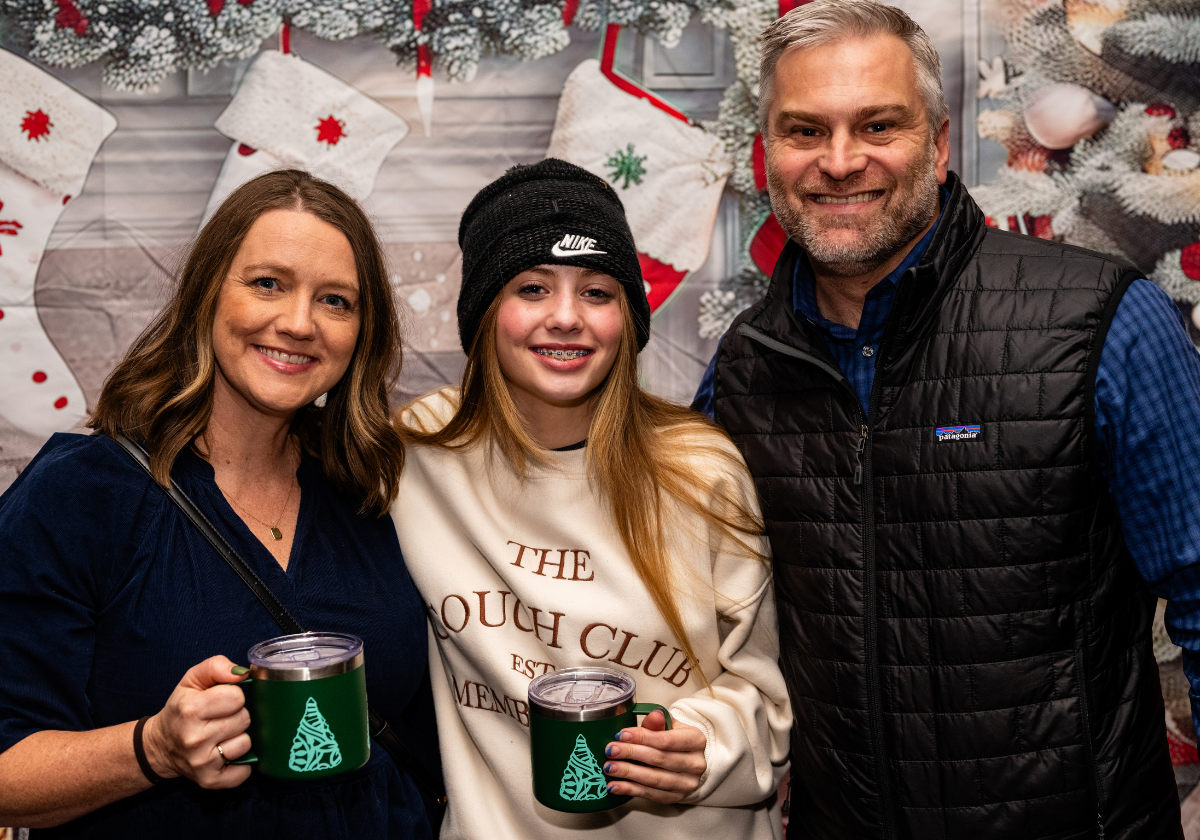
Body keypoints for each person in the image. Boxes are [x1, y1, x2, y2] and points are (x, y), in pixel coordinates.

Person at [693, 0, 1190, 837]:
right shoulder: (745, 367)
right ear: (767, 150)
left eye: (878, 125)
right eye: (805, 131)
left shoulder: (1098, 319)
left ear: (939, 140)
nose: (840, 162)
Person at [0, 170, 438, 837]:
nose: (298, 323)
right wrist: (153, 748)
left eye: (335, 301)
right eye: (268, 283)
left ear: (361, 332)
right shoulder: (82, 495)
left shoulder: (371, 490)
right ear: (207, 294)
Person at [391, 158, 792, 839]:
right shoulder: (417, 454)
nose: (566, 318)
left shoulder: (701, 471)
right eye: (533, 287)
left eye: (598, 293)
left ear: (627, 319)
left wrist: (700, 745)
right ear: (484, 312)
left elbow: (766, 699)